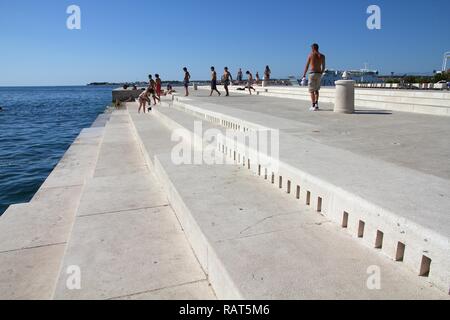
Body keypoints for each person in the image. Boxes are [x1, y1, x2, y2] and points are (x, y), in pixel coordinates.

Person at [302, 43, 326, 111]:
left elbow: (307, 66)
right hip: (319, 74)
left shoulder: (311, 55)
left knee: (311, 90)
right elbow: (323, 67)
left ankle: (313, 105)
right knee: (316, 90)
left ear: (313, 48)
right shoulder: (322, 56)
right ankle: (316, 104)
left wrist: (304, 74)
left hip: (312, 73)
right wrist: (321, 72)